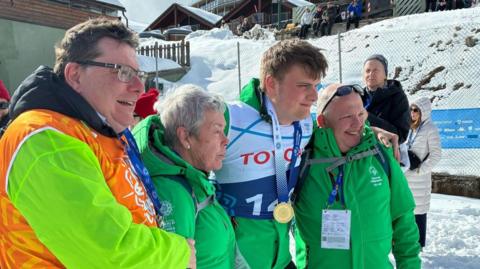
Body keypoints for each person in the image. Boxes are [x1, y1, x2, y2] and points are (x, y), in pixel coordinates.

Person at [0, 18, 195, 268]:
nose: (139, 87)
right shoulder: (44, 138)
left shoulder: (103, 130)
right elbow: (108, 254)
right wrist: (179, 253)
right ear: (75, 75)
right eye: (122, 72)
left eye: (139, 74)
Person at [215, 39, 328, 269]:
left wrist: (370, 132)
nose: (314, 96)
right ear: (271, 83)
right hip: (236, 258)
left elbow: (344, 131)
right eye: (304, 85)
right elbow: (174, 129)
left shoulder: (305, 124)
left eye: (316, 86)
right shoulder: (232, 119)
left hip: (281, 257)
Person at [293, 84, 421, 268]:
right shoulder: (302, 158)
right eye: (347, 117)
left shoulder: (381, 154)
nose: (358, 124)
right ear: (322, 121)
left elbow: (403, 219)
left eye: (361, 114)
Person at [132, 85, 248, 268]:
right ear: (185, 137)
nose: (226, 141)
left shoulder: (194, 180)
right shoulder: (172, 193)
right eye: (217, 131)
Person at [405, 97, 442, 248]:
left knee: (419, 212)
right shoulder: (410, 128)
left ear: (423, 112)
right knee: (406, 211)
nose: (412, 113)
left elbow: (436, 155)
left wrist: (421, 170)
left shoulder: (430, 129)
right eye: (411, 110)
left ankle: (419, 245)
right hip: (406, 176)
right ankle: (407, 243)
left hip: (419, 179)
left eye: (416, 110)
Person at [362, 54, 410, 144]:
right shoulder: (357, 96)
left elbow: (400, 135)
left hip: (384, 153)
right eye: (367, 71)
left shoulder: (397, 97)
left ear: (385, 75)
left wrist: (367, 117)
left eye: (376, 70)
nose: (371, 74)